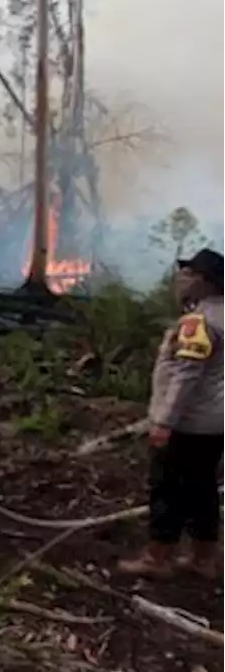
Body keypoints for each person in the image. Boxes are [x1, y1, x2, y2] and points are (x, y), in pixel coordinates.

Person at [119, 248, 225, 579]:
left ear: (206, 282)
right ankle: (203, 559)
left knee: (167, 487)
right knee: (203, 487)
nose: (182, 280)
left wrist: (164, 421)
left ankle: (156, 558)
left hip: (190, 423)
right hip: (216, 423)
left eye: (190, 274)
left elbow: (186, 376)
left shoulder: (199, 323)